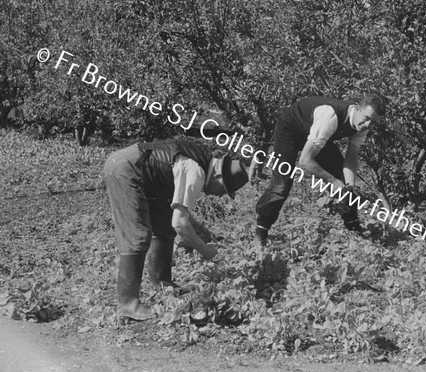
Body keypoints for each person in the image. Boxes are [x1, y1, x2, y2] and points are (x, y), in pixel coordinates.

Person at [102, 139, 248, 321]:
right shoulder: (194, 171)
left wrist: (202, 232)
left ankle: (162, 283)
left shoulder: (198, 162)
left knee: (163, 225)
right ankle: (127, 303)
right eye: (224, 190)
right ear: (218, 177)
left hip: (140, 172)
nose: (220, 195)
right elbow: (180, 224)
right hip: (125, 170)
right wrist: (207, 251)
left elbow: (177, 214)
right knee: (138, 236)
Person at [254, 92, 387, 245]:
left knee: (345, 183)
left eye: (374, 122)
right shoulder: (330, 117)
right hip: (290, 129)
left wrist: (349, 187)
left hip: (313, 132)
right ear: (357, 108)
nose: (368, 125)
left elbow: (351, 158)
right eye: (367, 118)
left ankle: (354, 231)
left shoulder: (363, 127)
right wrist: (332, 181)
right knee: (282, 183)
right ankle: (261, 231)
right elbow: (305, 161)